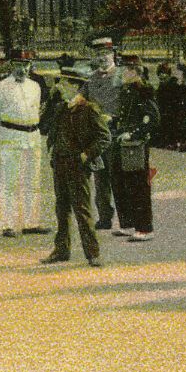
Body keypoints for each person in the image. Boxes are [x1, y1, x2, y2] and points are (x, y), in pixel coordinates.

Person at [41, 63, 110, 267]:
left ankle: (93, 252)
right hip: (60, 164)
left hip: (77, 166)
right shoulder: (61, 107)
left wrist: (86, 155)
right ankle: (61, 250)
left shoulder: (89, 110)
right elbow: (46, 127)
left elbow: (105, 138)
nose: (59, 85)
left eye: (62, 82)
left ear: (74, 86)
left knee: (82, 211)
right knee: (61, 209)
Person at [0, 51, 47, 238]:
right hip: (9, 137)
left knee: (32, 182)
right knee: (9, 183)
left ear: (30, 65)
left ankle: (31, 222)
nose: (22, 69)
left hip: (32, 137)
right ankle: (8, 224)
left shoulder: (35, 86)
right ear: (10, 65)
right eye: (17, 64)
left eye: (26, 64)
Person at [110, 46, 159, 241]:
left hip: (135, 145)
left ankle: (145, 228)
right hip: (122, 143)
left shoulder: (143, 91)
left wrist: (133, 133)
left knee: (138, 185)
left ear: (134, 72)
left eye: (125, 70)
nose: (122, 73)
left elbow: (152, 118)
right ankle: (128, 223)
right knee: (121, 183)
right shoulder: (126, 90)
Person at [81, 37, 125, 230]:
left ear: (113, 54)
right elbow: (80, 100)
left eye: (106, 53)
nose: (103, 58)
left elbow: (132, 104)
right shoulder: (91, 79)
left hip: (117, 133)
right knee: (100, 178)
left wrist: (115, 117)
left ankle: (126, 218)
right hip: (97, 137)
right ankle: (105, 216)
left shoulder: (123, 76)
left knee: (120, 177)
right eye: (99, 54)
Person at [156, 61, 185, 149]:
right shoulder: (161, 86)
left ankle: (172, 142)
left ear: (168, 74)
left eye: (164, 73)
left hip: (173, 111)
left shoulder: (173, 85)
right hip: (164, 110)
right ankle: (164, 141)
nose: (161, 76)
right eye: (160, 73)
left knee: (171, 123)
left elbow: (177, 100)